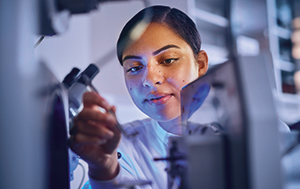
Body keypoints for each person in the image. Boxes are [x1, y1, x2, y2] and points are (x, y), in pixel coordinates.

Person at [69, 5, 209, 189]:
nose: (150, 80)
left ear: (200, 65)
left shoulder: (243, 135)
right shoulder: (119, 148)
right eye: (134, 68)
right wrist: (105, 171)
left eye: (168, 60)